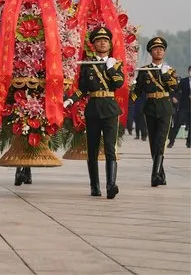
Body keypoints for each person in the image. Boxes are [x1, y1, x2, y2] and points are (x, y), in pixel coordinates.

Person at [64, 26, 124, 199]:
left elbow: (118, 84)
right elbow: (82, 89)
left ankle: (111, 185)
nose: (102, 42)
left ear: (109, 44)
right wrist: (70, 100)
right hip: (93, 109)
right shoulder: (88, 65)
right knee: (92, 149)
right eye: (99, 40)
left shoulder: (116, 63)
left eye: (105, 40)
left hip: (110, 108)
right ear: (94, 44)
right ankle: (94, 186)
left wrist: (111, 68)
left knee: (110, 148)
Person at [131, 37, 178, 187]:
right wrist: (125, 101)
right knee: (153, 143)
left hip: (165, 107)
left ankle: (154, 175)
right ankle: (161, 175)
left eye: (161, 49)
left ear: (164, 52)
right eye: (155, 49)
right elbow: (137, 91)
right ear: (151, 52)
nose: (159, 51)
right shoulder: (145, 71)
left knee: (160, 142)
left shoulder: (170, 70)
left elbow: (174, 88)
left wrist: (164, 75)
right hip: (150, 108)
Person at [167, 65, 190, 148]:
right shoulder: (184, 81)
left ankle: (189, 142)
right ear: (188, 72)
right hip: (184, 106)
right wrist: (174, 97)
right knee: (177, 124)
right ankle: (171, 141)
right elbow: (175, 89)